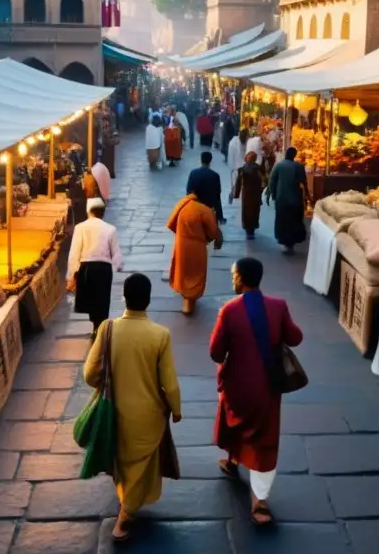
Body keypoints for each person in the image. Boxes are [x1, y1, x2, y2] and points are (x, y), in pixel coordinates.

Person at [84, 274, 182, 543]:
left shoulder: (108, 328)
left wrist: (104, 385)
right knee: (140, 465)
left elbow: (90, 373)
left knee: (124, 462)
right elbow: (169, 384)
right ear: (148, 300)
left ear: (124, 297)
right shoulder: (160, 335)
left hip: (114, 412)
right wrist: (175, 409)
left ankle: (125, 500)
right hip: (147, 416)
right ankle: (124, 518)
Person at [211, 257, 303, 525]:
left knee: (233, 419)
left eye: (233, 274)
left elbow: (216, 352)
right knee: (264, 437)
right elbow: (295, 338)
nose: (232, 279)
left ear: (240, 278)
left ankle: (232, 460)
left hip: (236, 384)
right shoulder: (278, 306)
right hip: (267, 385)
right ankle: (259, 500)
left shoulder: (229, 310)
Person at [67, 198, 124, 341]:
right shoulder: (111, 229)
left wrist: (71, 274)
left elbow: (74, 252)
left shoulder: (80, 227)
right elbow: (116, 253)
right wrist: (118, 265)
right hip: (104, 269)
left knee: (90, 299)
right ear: (103, 212)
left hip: (86, 268)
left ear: (89, 211)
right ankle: (99, 327)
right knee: (102, 299)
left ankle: (96, 327)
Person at [167, 191, 222, 315]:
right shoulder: (204, 210)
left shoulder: (182, 204)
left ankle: (187, 298)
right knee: (195, 275)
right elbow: (213, 232)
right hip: (197, 247)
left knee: (183, 272)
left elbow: (171, 224)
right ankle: (189, 302)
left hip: (181, 245)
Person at [267, 147, 307, 254]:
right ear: (294, 155)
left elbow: (272, 181)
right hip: (295, 199)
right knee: (294, 221)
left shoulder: (279, 166)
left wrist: (272, 195)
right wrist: (306, 197)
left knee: (282, 221)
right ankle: (291, 243)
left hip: (282, 199)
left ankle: (284, 242)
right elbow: (304, 183)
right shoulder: (299, 167)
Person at [187, 151, 226, 224]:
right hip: (209, 210)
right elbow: (217, 197)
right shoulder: (215, 175)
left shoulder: (193, 173)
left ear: (201, 160)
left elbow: (188, 192)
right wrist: (220, 217)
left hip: (196, 208)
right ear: (210, 160)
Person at [233, 151, 263, 240]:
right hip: (256, 194)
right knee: (255, 211)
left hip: (246, 194)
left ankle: (248, 230)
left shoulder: (242, 169)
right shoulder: (258, 168)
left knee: (246, 212)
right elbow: (264, 180)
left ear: (247, 158)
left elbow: (238, 183)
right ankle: (252, 229)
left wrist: (236, 194)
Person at [227, 129, 248, 198]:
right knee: (235, 181)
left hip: (238, 166)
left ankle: (234, 192)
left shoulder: (234, 142)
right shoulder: (233, 143)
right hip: (237, 167)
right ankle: (233, 192)